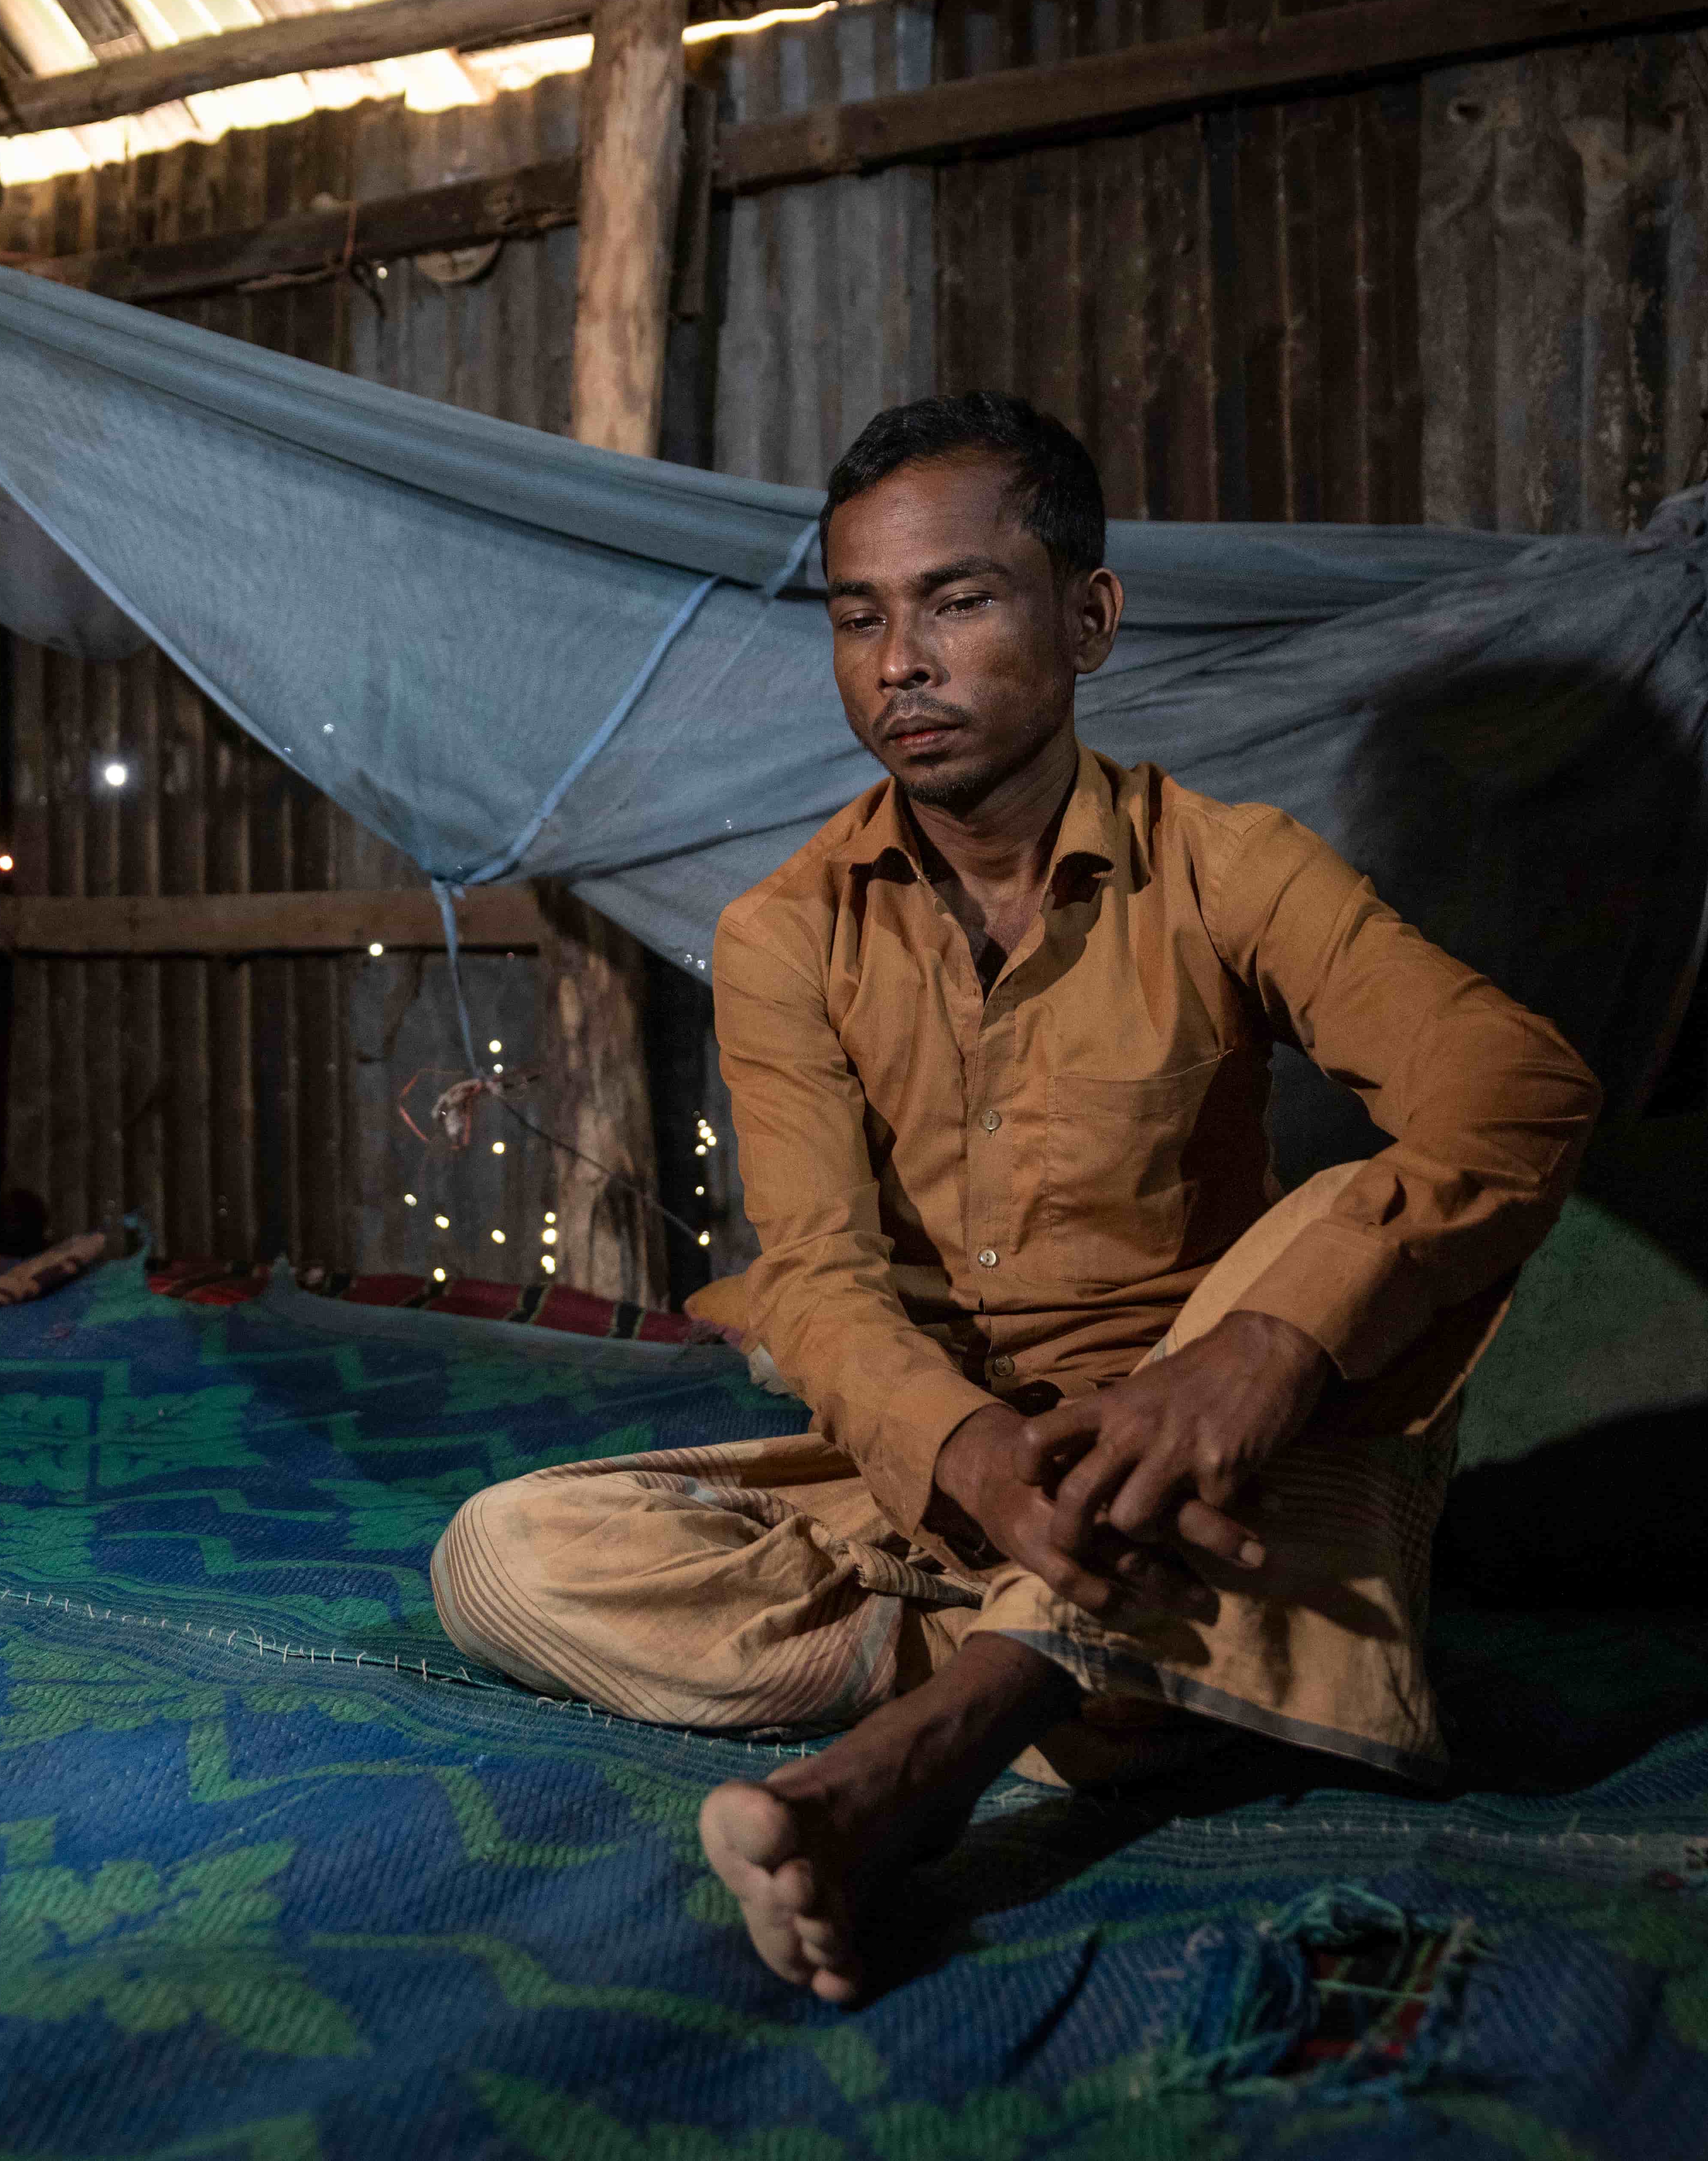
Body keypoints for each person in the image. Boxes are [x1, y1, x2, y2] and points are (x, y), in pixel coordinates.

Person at [427, 393, 1603, 2004]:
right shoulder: (785, 937)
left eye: (957, 601)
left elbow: (1515, 1089)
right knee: (505, 1557)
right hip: (950, 1473)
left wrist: (1255, 1349)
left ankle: (919, 1758)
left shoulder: (1228, 866)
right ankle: (1110, 1679)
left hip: (1214, 1444)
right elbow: (824, 1282)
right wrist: (975, 1457)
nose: (898, 661)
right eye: (860, 617)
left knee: (1353, 1270)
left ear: (1089, 618)